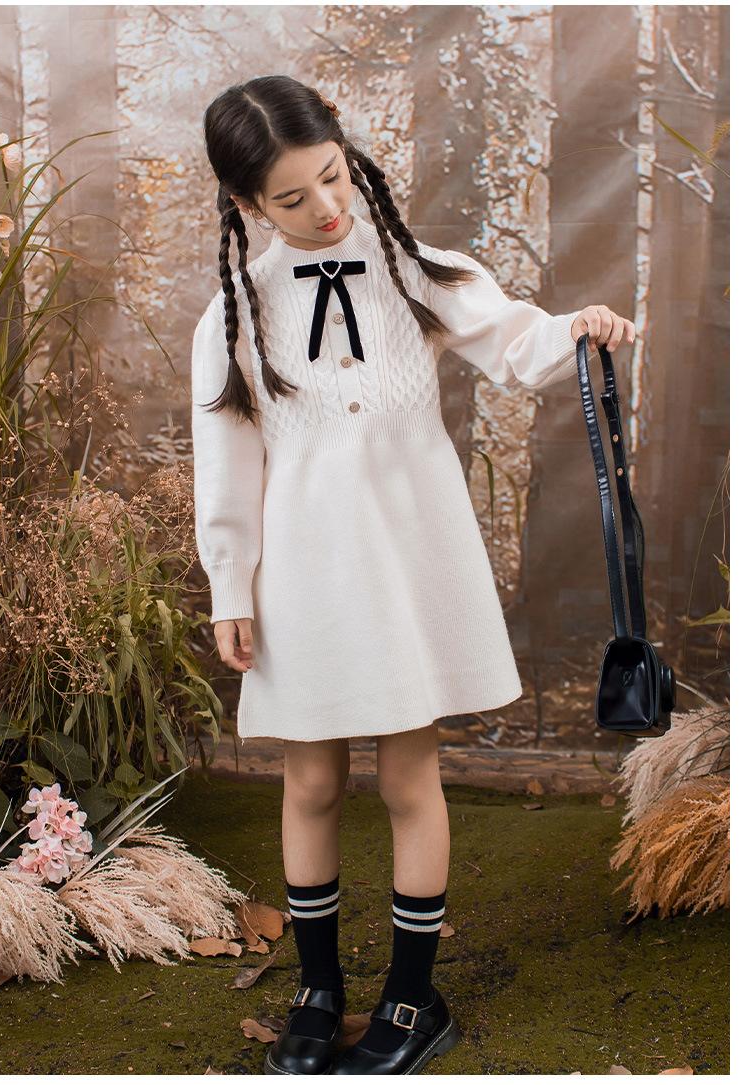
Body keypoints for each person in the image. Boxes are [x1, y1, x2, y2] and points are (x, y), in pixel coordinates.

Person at [191, 75, 636, 1076]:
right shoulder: (233, 316)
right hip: (303, 571)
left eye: (332, 176)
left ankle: (410, 994)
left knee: (406, 772)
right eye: (292, 196)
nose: (325, 206)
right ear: (248, 204)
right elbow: (226, 465)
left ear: (346, 154)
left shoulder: (412, 269)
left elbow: (515, 338)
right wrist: (231, 585)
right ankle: (317, 989)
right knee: (310, 778)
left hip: (406, 561)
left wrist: (578, 327)